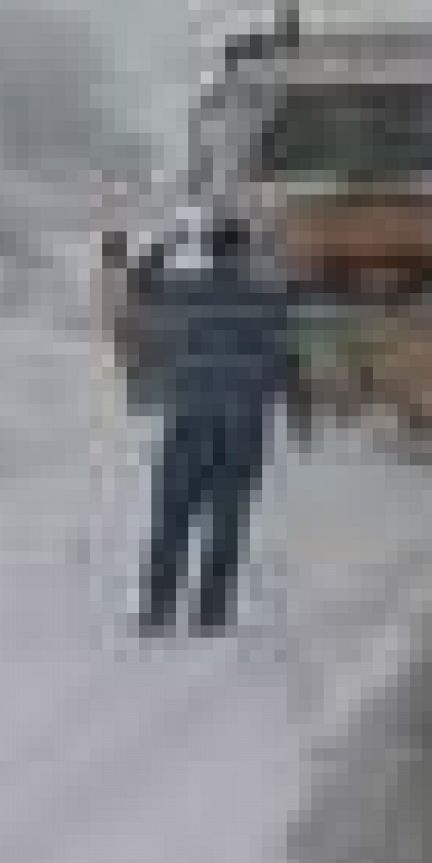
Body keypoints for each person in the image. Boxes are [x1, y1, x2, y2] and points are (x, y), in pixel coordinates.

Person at [125, 206, 292, 636]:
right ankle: (211, 615)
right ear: (244, 252)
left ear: (210, 252)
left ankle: (156, 612)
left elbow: (140, 285)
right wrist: (290, 399)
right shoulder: (266, 297)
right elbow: (285, 354)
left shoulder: (185, 292)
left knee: (171, 516)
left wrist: (168, 242)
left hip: (188, 418)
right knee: (227, 519)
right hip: (242, 424)